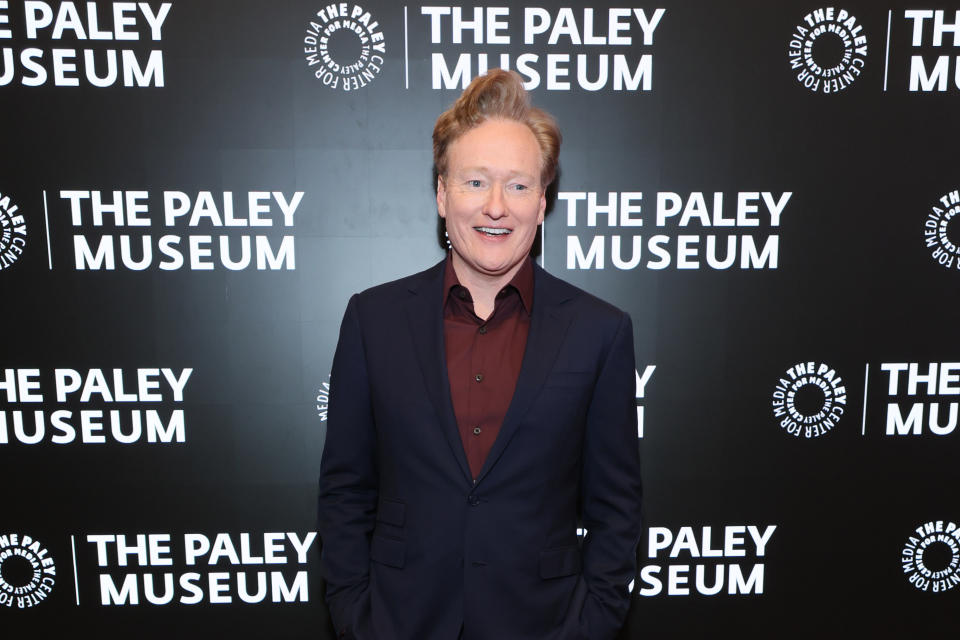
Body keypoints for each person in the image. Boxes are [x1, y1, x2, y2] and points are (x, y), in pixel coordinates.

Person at [318, 69, 642, 640]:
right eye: (475, 182)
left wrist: (589, 625)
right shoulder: (373, 320)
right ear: (442, 195)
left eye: (518, 186)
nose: (496, 207)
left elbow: (617, 509)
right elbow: (346, 490)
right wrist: (355, 615)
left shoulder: (601, 331)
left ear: (542, 203)